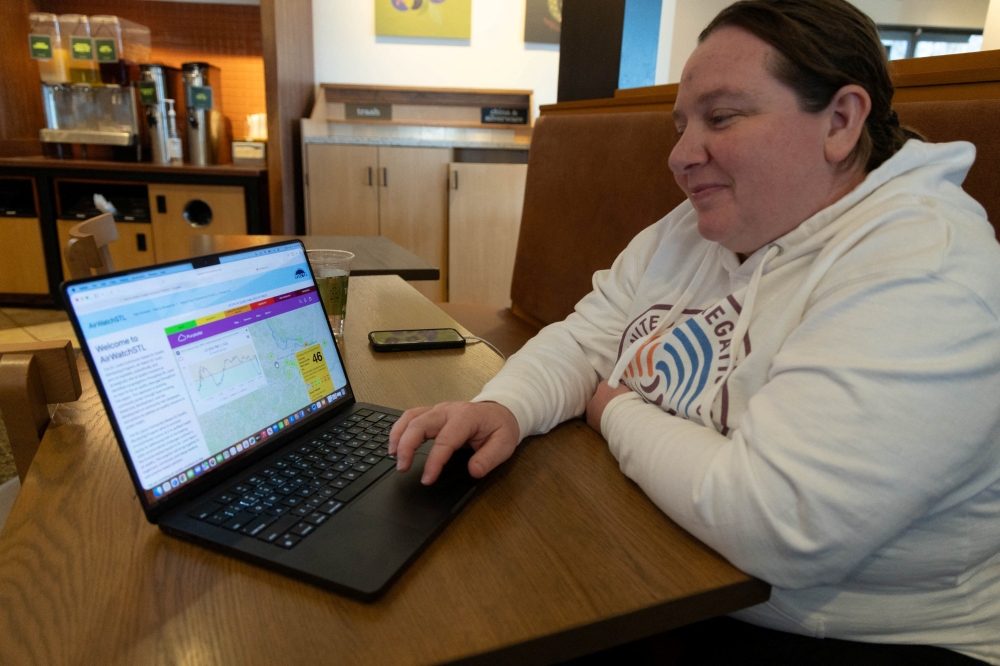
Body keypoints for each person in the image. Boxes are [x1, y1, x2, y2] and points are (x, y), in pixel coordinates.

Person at [389, 0, 1000, 662]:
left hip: (852, 630)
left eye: (722, 117)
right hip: (670, 566)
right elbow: (584, 337)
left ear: (841, 121)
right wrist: (503, 406)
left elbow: (774, 522)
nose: (680, 155)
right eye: (682, 125)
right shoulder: (703, 224)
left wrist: (613, 409)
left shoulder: (925, 266)